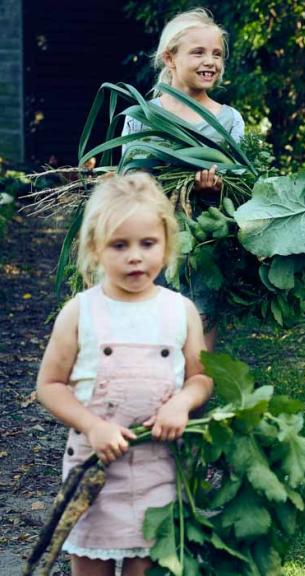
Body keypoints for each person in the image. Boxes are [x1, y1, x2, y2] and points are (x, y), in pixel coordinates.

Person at [36, 173, 213, 575]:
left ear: (167, 244)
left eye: (147, 244)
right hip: (94, 474)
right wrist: (92, 425)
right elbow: (49, 385)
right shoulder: (80, 313)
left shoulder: (179, 311)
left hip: (159, 469)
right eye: (120, 245)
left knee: (146, 567)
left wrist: (183, 404)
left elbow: (201, 377)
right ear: (95, 249)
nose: (135, 256)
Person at [122, 7, 245, 351]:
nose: (211, 61)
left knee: (198, 337)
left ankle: (193, 401)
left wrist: (219, 188)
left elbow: (243, 185)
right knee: (150, 339)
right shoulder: (143, 117)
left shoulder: (230, 121)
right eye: (198, 52)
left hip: (205, 246)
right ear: (170, 58)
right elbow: (129, 181)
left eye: (217, 54)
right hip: (150, 244)